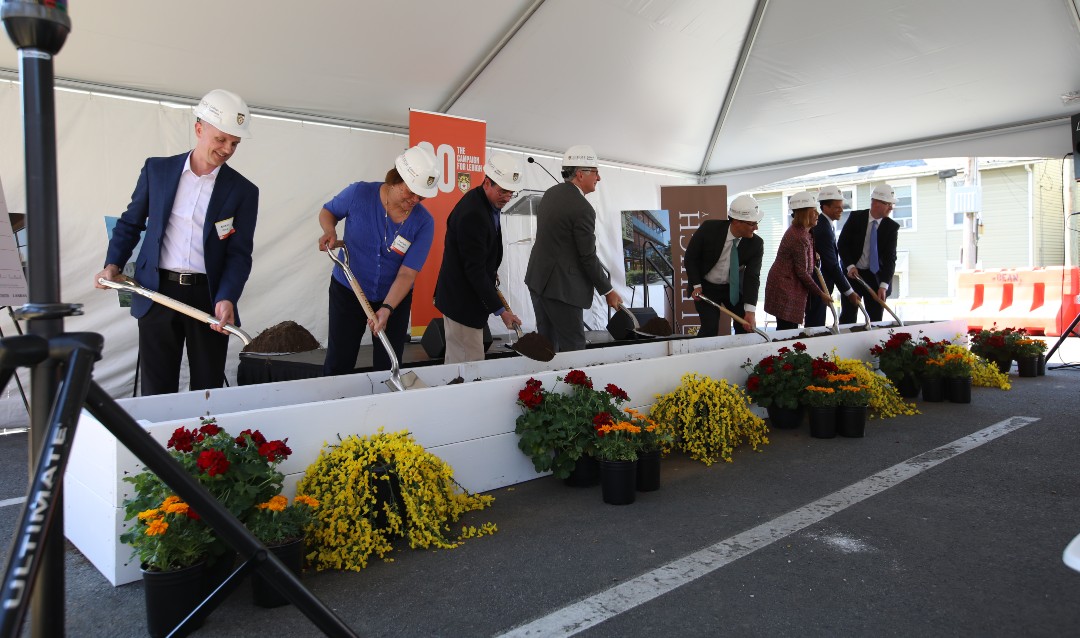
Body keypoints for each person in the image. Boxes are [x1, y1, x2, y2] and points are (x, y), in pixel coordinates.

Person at [95, 89, 258, 396]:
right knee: (157, 389)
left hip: (208, 298)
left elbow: (239, 255)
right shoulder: (158, 170)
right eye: (221, 139)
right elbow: (131, 223)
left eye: (234, 143)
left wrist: (227, 298)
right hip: (157, 292)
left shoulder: (244, 191)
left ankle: (208, 443)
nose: (227, 149)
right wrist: (112, 265)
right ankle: (155, 444)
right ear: (199, 129)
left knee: (208, 388)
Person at [318, 145, 438, 375]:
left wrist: (387, 308)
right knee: (340, 360)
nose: (414, 200)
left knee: (389, 364)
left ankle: (386, 408)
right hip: (348, 289)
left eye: (420, 196)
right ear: (394, 179)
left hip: (394, 297)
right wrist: (329, 230)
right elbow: (328, 211)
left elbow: (407, 273)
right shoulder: (359, 194)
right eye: (409, 191)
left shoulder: (424, 222)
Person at [524, 145, 621, 352]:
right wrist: (608, 290)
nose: (599, 178)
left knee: (547, 347)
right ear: (579, 174)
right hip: (561, 288)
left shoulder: (550, 194)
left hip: (538, 281)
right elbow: (587, 256)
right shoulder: (583, 208)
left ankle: (547, 385)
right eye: (595, 172)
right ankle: (572, 385)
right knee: (574, 347)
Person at [434, 152, 525, 363]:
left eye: (511, 193)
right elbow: (473, 269)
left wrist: (491, 272)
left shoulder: (487, 203)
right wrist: (501, 312)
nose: (507, 197)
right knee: (469, 364)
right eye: (503, 191)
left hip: (466, 296)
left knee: (460, 361)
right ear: (487, 183)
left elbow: (482, 255)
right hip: (462, 302)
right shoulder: (473, 213)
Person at [684, 194, 765, 336]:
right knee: (710, 327)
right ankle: (703, 357)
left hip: (732, 289)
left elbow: (753, 277)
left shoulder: (756, 244)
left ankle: (742, 357)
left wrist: (750, 311)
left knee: (744, 327)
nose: (756, 227)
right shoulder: (709, 229)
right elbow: (691, 257)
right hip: (706, 288)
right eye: (752, 223)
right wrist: (696, 285)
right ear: (736, 221)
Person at [764, 192, 834, 330]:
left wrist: (813, 255)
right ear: (804, 214)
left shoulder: (803, 231)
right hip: (785, 287)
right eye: (813, 211)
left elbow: (803, 256)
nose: (817, 214)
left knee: (789, 329)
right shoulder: (799, 237)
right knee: (787, 331)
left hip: (789, 285)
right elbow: (802, 272)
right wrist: (821, 294)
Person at [837, 183, 899, 323]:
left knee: (876, 319)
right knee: (848, 317)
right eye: (888, 204)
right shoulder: (855, 218)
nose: (891, 207)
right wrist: (850, 266)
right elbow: (842, 244)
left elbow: (890, 259)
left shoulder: (891, 227)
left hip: (876, 279)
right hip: (853, 275)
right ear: (876, 203)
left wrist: (883, 285)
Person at [805, 185, 859, 327]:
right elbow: (832, 264)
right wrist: (849, 292)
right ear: (825, 207)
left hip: (821, 286)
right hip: (817, 286)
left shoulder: (826, 225)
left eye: (842, 206)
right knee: (815, 326)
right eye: (837, 207)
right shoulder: (823, 229)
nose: (841, 209)